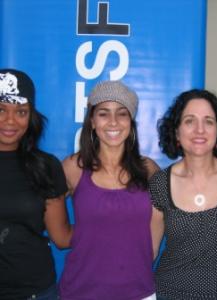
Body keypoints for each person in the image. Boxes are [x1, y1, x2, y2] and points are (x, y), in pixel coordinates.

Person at [59, 80, 159, 300]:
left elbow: (159, 222)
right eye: (103, 113)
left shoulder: (148, 169)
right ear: (92, 121)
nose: (113, 122)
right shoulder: (73, 168)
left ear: (131, 121)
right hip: (81, 292)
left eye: (122, 113)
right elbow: (54, 228)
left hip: (139, 292)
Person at [150, 89, 217, 300]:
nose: (199, 130)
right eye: (190, 121)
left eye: (209, 121)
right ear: (176, 132)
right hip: (170, 294)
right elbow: (150, 251)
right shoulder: (160, 183)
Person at [0, 69, 72, 300]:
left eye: (21, 112)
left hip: (35, 292)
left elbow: (61, 238)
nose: (10, 120)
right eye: (1, 110)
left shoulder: (46, 166)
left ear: (30, 117)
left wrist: (112, 224)